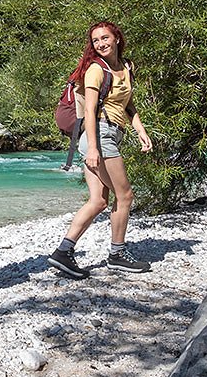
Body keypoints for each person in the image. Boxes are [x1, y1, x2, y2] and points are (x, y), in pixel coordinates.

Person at [47, 20, 155, 277]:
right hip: (99, 136)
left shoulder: (127, 67)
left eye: (105, 38)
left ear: (117, 38)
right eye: (96, 41)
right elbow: (91, 111)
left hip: (110, 134)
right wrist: (93, 149)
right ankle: (117, 254)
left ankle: (63, 252)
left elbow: (128, 104)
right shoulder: (95, 69)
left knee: (98, 201)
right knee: (125, 195)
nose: (101, 44)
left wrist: (141, 131)